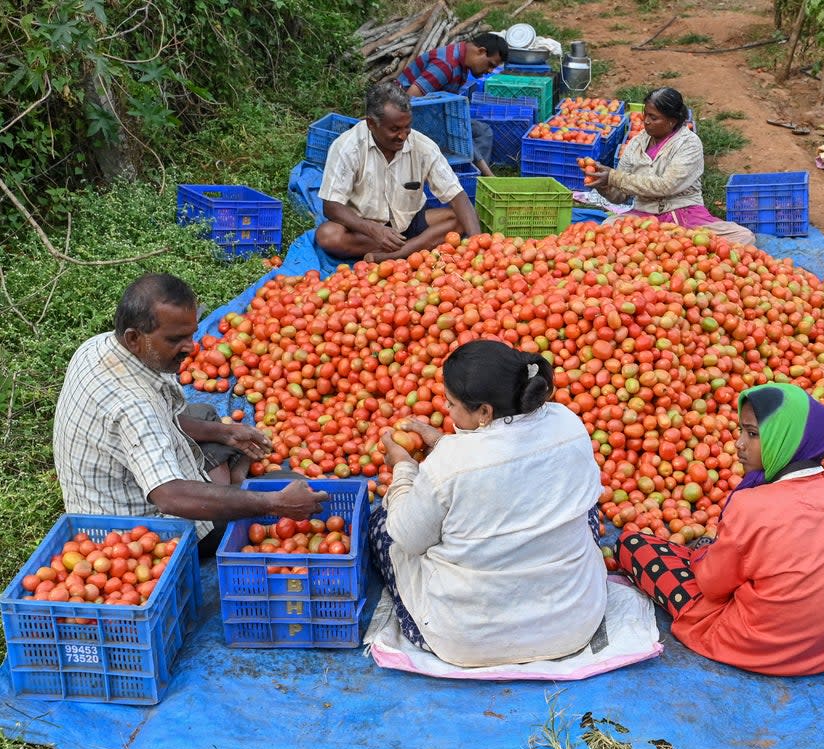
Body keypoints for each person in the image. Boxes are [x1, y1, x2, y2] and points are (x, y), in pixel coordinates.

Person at [367, 339, 607, 667]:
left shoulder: (451, 463)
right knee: (584, 508)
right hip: (572, 626)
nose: (447, 411)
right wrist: (442, 446)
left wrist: (404, 468)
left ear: (484, 411)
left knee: (385, 520)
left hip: (466, 640)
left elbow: (409, 538)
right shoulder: (567, 424)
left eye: (451, 404)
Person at [52, 273, 329, 556]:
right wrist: (274, 502)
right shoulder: (134, 407)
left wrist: (226, 432)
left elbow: (165, 415)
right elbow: (170, 497)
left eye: (191, 334)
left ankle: (229, 477)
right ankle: (232, 483)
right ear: (134, 338)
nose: (191, 347)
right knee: (282, 483)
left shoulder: (99, 346)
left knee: (206, 414)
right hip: (136, 535)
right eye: (176, 339)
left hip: (122, 478)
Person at [615, 383, 824, 676]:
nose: (739, 444)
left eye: (752, 434)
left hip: (763, 647)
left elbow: (712, 587)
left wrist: (707, 555)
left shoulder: (751, 506)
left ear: (785, 439)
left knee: (634, 545)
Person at [316, 82, 482, 264]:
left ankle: (396, 254)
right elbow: (331, 206)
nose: (403, 136)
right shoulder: (348, 147)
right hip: (364, 230)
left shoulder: (423, 147)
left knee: (463, 218)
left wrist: (478, 244)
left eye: (407, 127)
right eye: (394, 129)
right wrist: (373, 230)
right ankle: (415, 248)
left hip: (410, 222)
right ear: (371, 123)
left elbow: (457, 196)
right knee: (328, 236)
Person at [590, 87, 756, 246]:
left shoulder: (689, 143)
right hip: (645, 215)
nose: (646, 121)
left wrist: (613, 177)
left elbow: (666, 186)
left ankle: (673, 249)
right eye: (645, 114)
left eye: (654, 118)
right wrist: (603, 185)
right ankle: (670, 249)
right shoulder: (636, 143)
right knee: (605, 230)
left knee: (742, 237)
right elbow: (621, 196)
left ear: (672, 121)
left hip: (685, 214)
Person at [398, 32, 508, 177]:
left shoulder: (461, 61)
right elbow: (409, 99)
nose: (489, 71)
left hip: (431, 111)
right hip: (409, 115)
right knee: (460, 131)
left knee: (482, 131)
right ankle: (480, 177)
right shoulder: (446, 65)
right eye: (490, 65)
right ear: (481, 51)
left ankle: (472, 175)